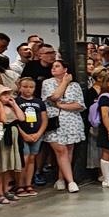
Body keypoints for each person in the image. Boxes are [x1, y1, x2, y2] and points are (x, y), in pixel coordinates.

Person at [42, 58, 87, 193]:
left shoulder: (75, 86)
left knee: (68, 151)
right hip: (55, 121)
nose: (54, 68)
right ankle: (71, 181)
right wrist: (65, 82)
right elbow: (54, 96)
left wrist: (62, 105)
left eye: (57, 66)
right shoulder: (47, 83)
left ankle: (61, 178)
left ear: (65, 69)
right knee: (60, 150)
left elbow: (79, 105)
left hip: (72, 122)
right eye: (52, 66)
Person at [11, 76, 48, 195]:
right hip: (23, 134)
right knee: (24, 159)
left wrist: (39, 133)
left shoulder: (39, 102)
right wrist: (24, 134)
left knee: (32, 159)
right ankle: (19, 185)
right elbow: (15, 121)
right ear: (20, 87)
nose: (28, 89)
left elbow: (44, 119)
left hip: (36, 134)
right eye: (25, 87)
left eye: (31, 87)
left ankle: (28, 184)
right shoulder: (17, 102)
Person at [0, 84, 22, 203]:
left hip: (12, 136)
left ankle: (6, 189)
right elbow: (3, 120)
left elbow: (21, 118)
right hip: (1, 137)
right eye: (3, 94)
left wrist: (14, 104)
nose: (7, 96)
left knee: (7, 165)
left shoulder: (11, 106)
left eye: (8, 94)